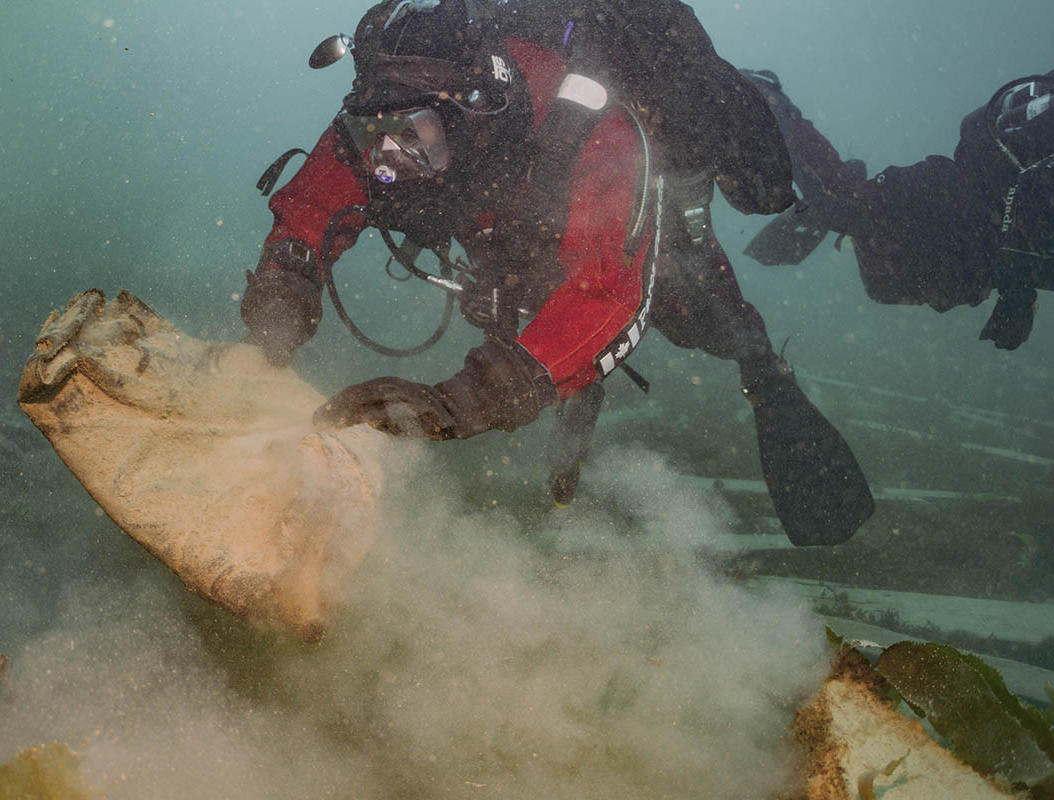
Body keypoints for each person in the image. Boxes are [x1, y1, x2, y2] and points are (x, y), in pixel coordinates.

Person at [241, 0, 874, 546]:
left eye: (411, 137)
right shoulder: (387, 110)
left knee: (709, 320)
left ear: (473, 112)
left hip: (616, 220)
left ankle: (769, 374)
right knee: (513, 270)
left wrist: (460, 403)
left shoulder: (591, 135)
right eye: (370, 133)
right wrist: (282, 291)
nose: (387, 160)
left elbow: (607, 296)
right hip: (515, 235)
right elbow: (313, 205)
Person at [742, 68, 1054, 350]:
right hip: (955, 203)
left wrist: (1017, 287)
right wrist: (1019, 292)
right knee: (846, 203)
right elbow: (1031, 182)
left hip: (981, 239)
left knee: (879, 270)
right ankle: (766, 101)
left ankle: (842, 190)